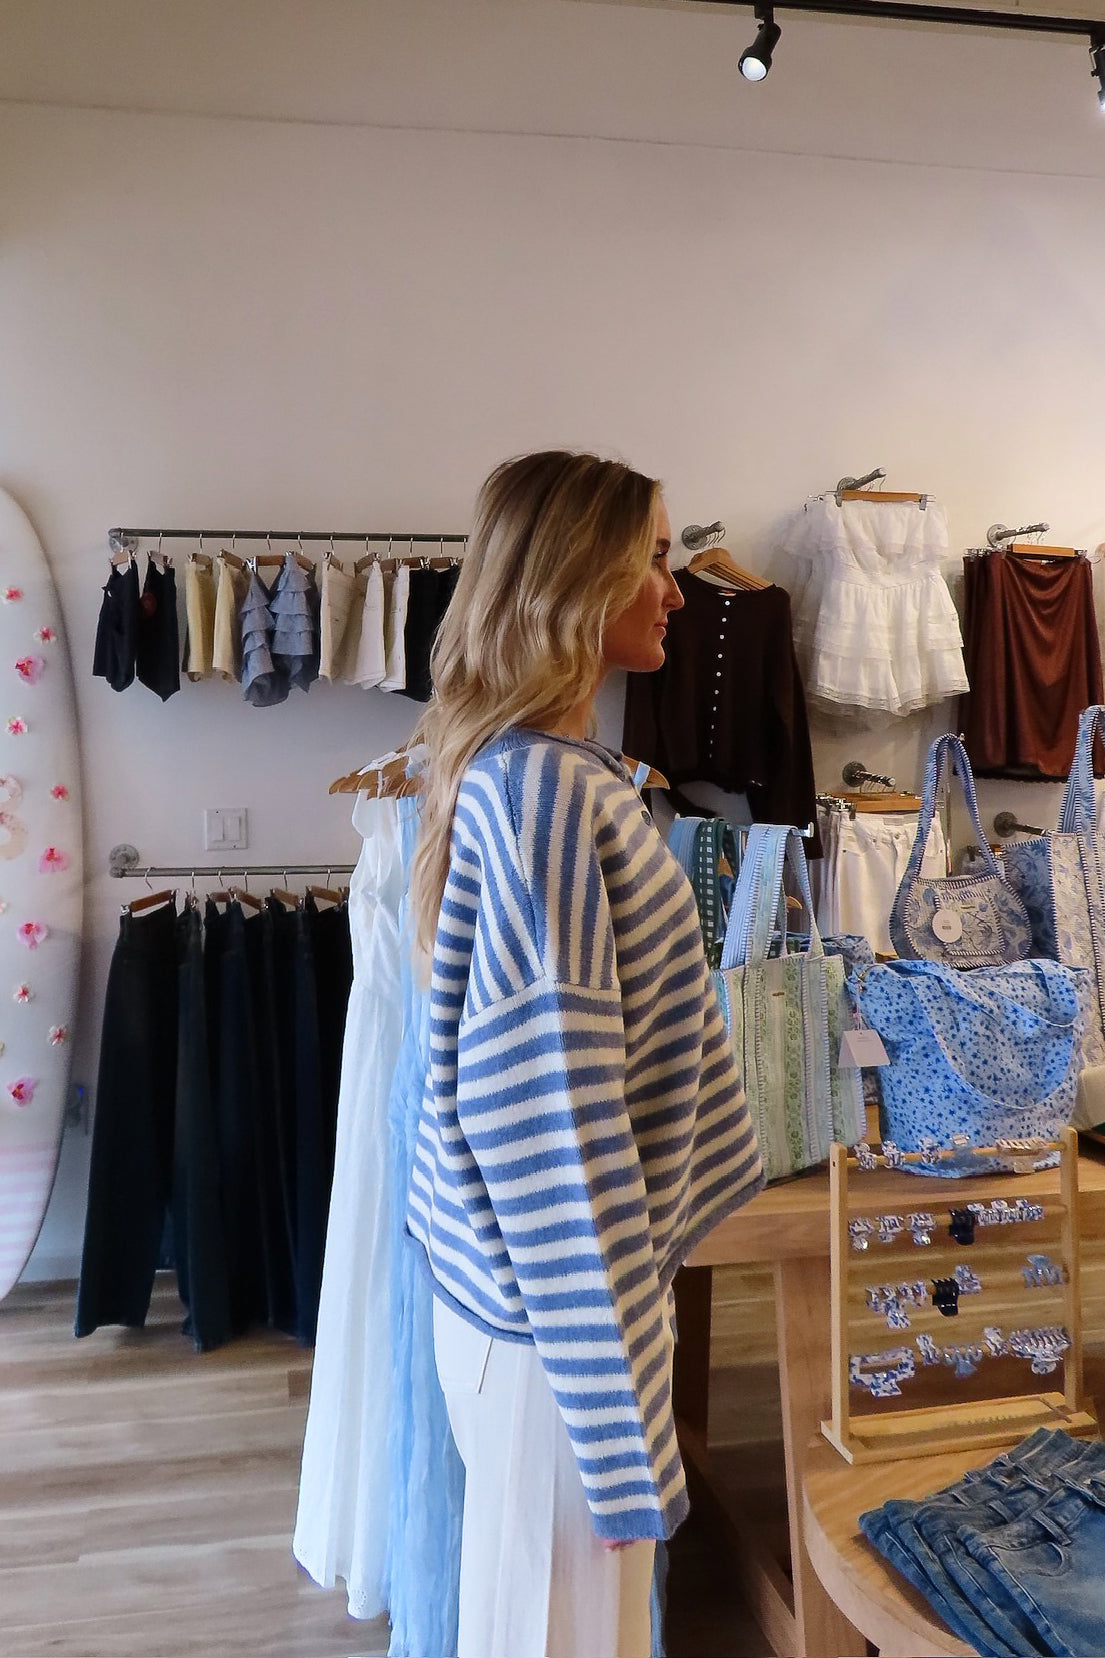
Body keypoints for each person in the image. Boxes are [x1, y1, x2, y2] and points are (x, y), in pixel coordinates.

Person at [405, 450, 764, 1658]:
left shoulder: (535, 775)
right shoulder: (548, 798)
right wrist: (620, 1426)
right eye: (652, 558)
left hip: (541, 1318)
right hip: (558, 1334)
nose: (676, 588)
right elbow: (550, 1124)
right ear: (573, 578)